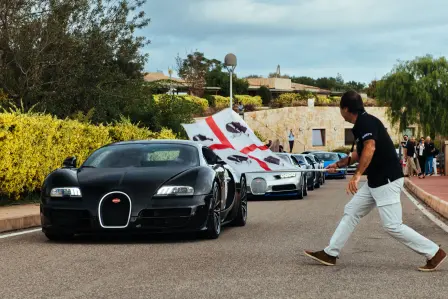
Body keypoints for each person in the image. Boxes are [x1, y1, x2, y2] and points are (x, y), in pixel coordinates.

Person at [303, 90, 446, 272]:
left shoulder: (366, 122)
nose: (341, 111)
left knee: (392, 226)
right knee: (352, 210)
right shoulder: (364, 123)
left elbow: (370, 147)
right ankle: (331, 253)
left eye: (341, 108)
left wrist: (356, 175)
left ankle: (434, 252)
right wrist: (338, 163)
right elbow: (359, 152)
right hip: (376, 181)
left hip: (387, 180)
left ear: (345, 109)